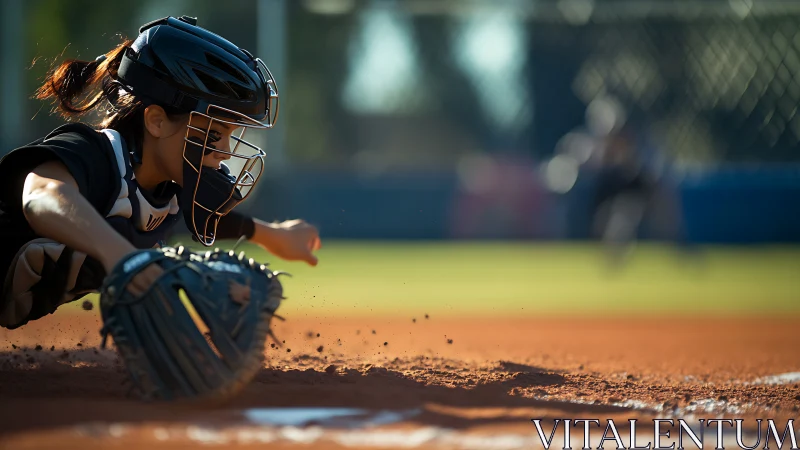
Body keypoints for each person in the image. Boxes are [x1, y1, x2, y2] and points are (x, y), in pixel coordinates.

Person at [0, 16, 321, 329]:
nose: (225, 151)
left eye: (231, 136)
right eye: (214, 132)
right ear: (157, 121)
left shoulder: (168, 189)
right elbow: (41, 196)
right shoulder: (96, 154)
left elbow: (216, 218)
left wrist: (274, 235)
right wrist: (121, 256)